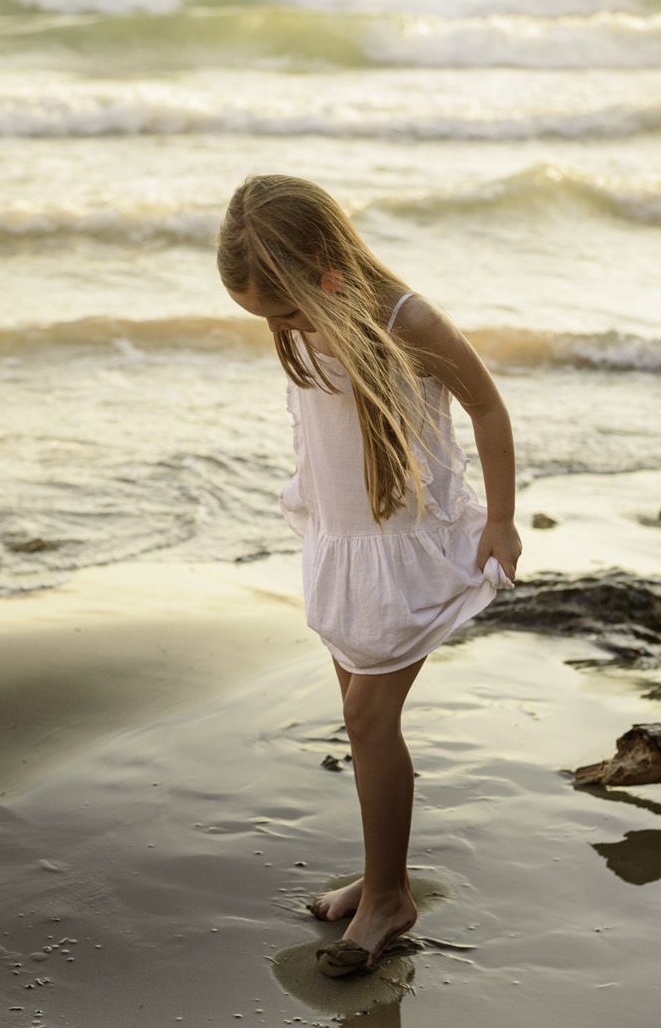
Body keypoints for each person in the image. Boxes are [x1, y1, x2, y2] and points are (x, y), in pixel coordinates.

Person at [217, 174, 521, 978]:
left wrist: (499, 517)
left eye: (282, 311)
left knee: (367, 720)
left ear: (324, 270)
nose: (280, 328)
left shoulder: (406, 319)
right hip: (342, 538)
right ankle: (381, 879)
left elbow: (487, 406)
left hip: (408, 549)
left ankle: (390, 899)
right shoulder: (310, 312)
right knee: (362, 720)